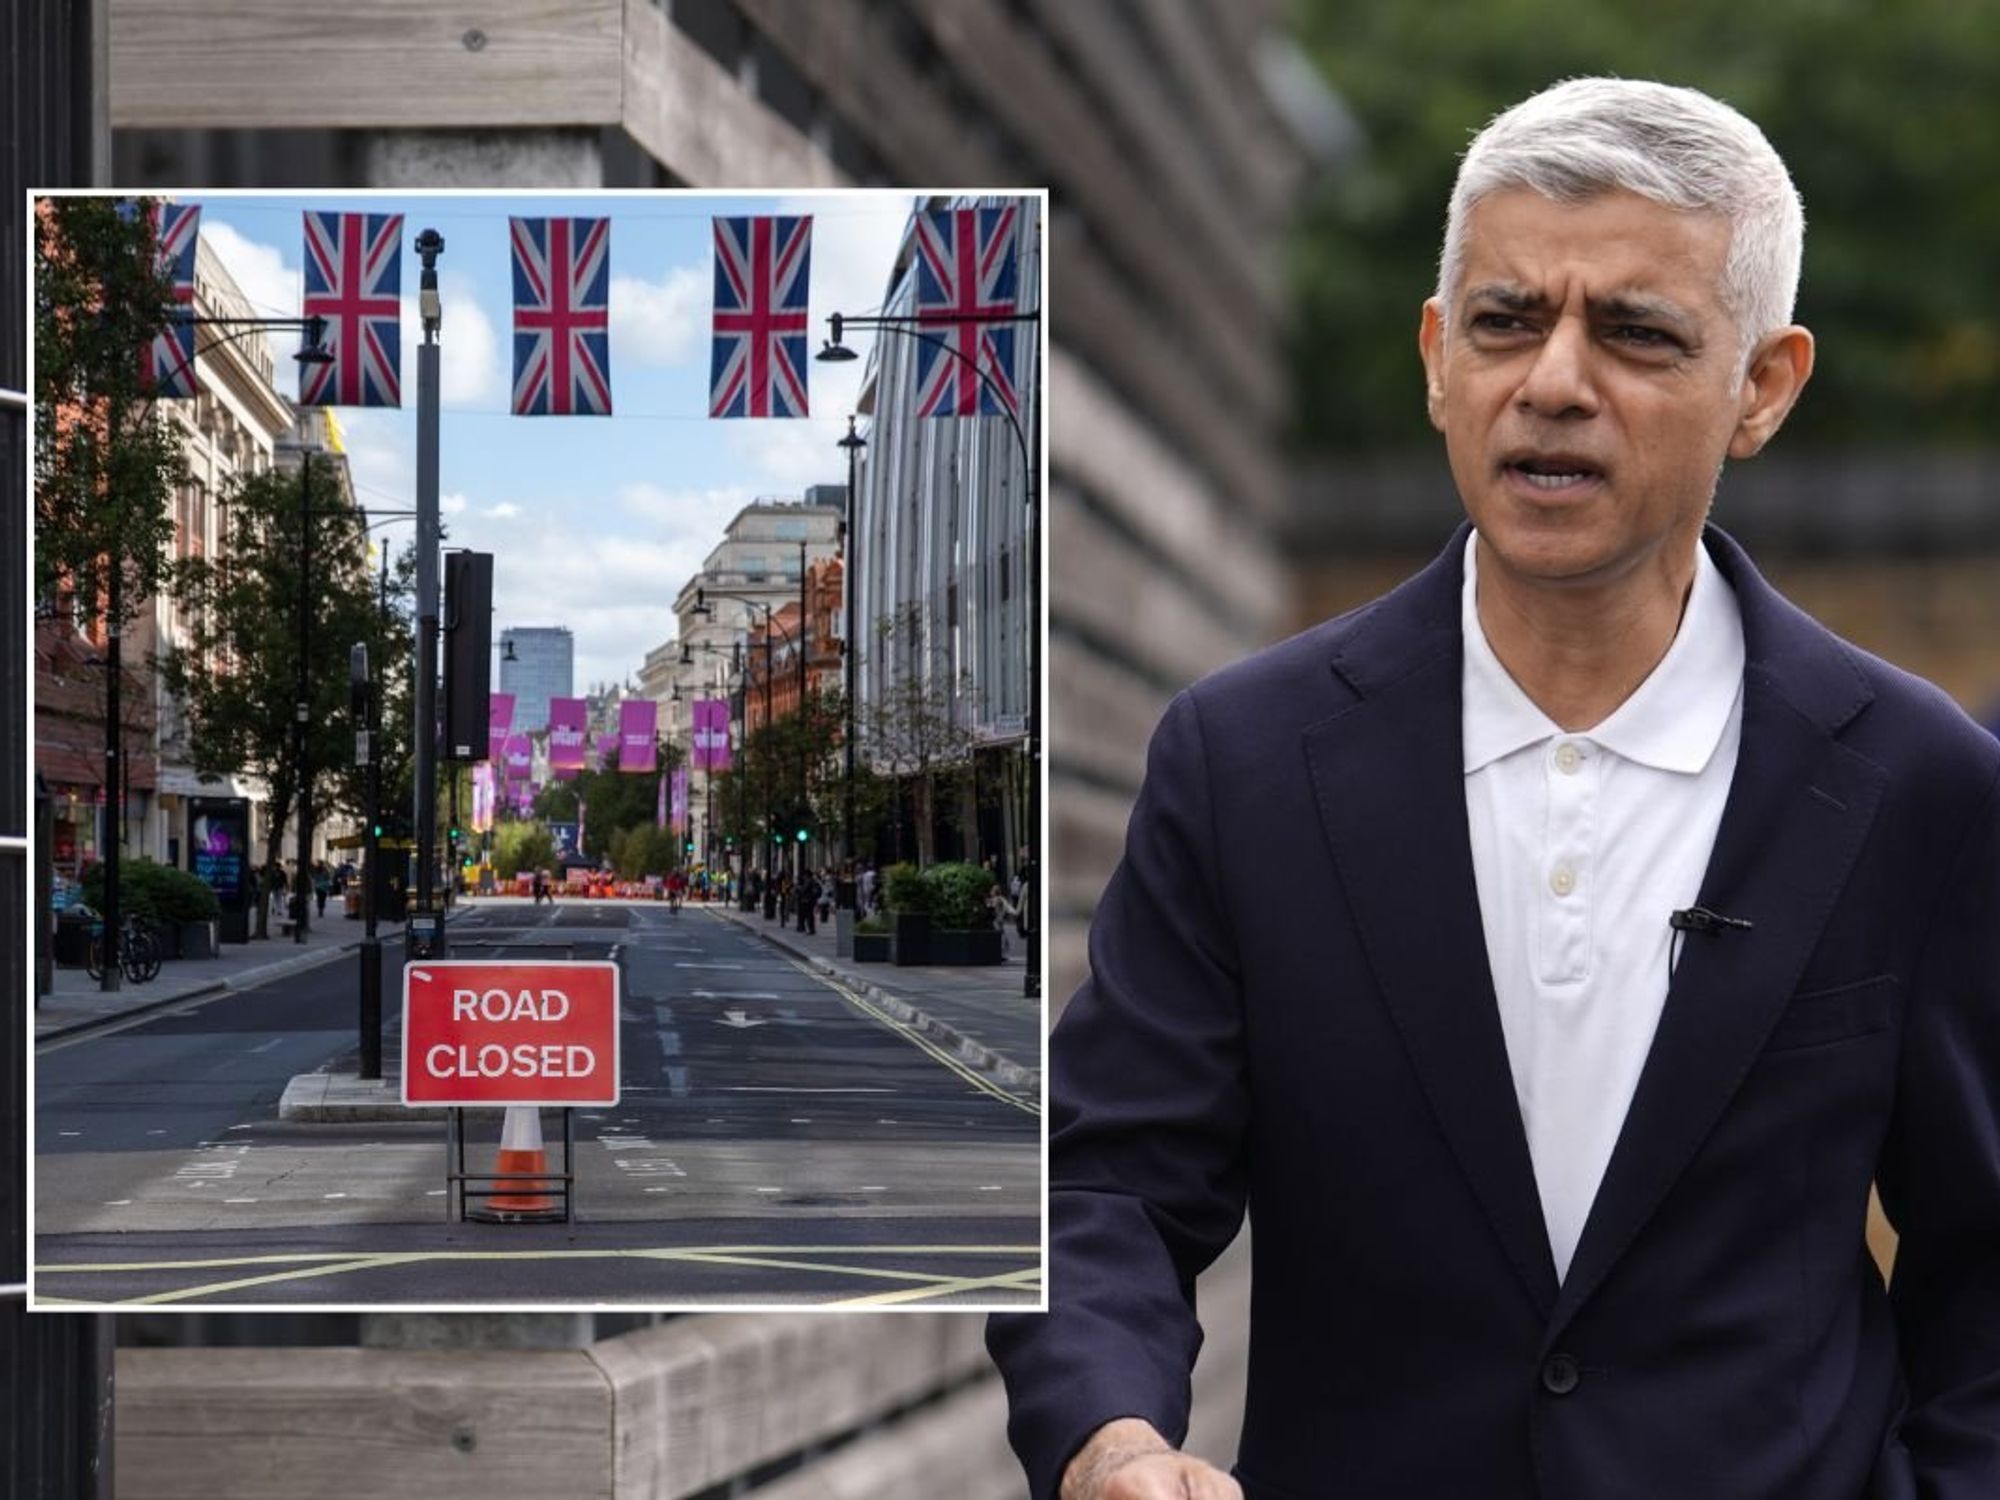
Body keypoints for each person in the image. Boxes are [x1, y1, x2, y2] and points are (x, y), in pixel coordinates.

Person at [989, 77, 2000, 1500]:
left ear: (1762, 389)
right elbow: (1106, 1185)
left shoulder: (1919, 784)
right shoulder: (1247, 759)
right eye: (1507, 320)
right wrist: (1111, 1440)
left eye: (1638, 333)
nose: (1555, 381)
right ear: (1434, 355)